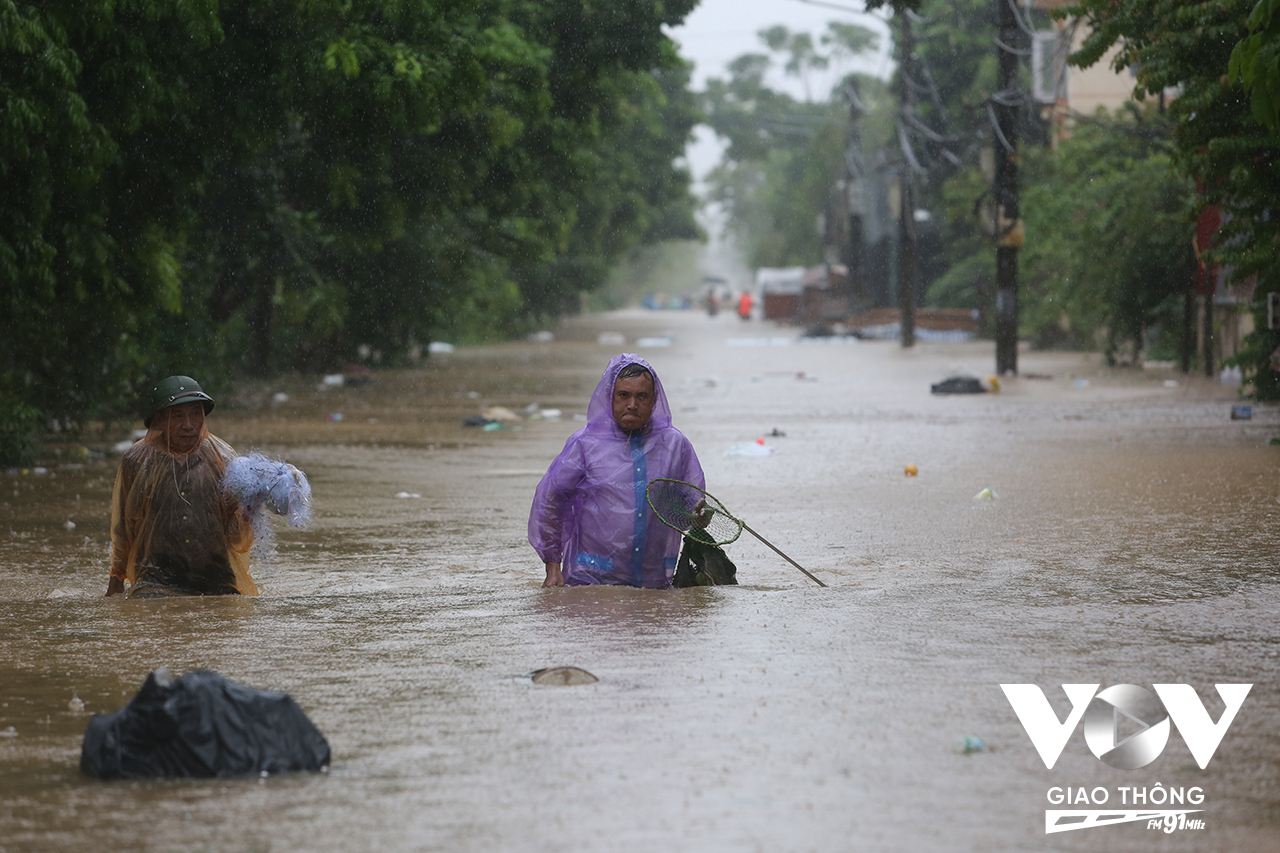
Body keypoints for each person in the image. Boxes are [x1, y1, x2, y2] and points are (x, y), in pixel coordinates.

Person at [529, 355, 704, 588]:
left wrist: (698, 516)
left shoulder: (675, 445)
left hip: (654, 583)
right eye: (624, 395)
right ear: (610, 397)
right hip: (591, 581)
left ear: (654, 400)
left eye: (642, 396)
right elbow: (552, 499)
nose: (632, 404)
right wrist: (553, 566)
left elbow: (687, 507)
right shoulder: (585, 444)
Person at [106, 376, 256, 598]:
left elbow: (235, 537)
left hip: (216, 577)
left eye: (196, 414)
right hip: (156, 577)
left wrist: (249, 511)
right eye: (178, 416)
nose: (189, 425)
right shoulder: (137, 461)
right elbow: (125, 528)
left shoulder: (221, 458)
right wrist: (116, 578)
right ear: (160, 419)